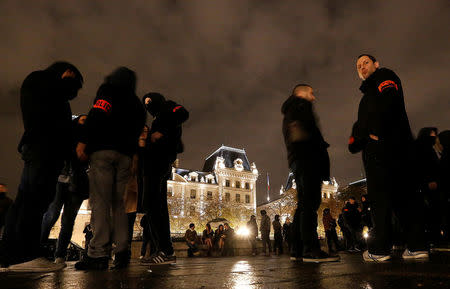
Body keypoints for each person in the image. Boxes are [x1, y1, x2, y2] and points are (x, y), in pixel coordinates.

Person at [0, 62, 83, 272]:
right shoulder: (43, 81)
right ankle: (24, 255)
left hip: (41, 149)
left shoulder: (40, 85)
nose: (74, 91)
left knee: (27, 201)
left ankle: (11, 255)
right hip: (44, 149)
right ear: (68, 72)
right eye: (75, 84)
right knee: (34, 201)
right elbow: (54, 121)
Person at [349, 54, 428, 261]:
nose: (362, 67)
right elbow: (356, 136)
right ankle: (417, 245)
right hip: (393, 148)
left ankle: (379, 250)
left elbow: (389, 104)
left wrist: (376, 134)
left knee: (381, 200)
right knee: (403, 198)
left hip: (384, 150)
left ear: (376, 64)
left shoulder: (384, 77)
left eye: (365, 62)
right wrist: (360, 136)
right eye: (358, 66)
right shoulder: (367, 95)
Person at [75, 67, 146, 270]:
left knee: (100, 202)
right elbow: (136, 134)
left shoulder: (108, 92)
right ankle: (122, 251)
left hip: (104, 151)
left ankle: (98, 253)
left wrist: (83, 142)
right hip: (125, 156)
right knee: (120, 207)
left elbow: (96, 115)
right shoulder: (138, 106)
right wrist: (133, 157)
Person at [282, 84, 339, 263]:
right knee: (310, 204)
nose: (313, 97)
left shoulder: (293, 108)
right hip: (307, 159)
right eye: (311, 93)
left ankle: (297, 249)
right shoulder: (300, 107)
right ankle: (310, 249)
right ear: (301, 93)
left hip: (300, 159)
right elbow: (300, 134)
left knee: (303, 206)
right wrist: (317, 148)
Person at [141, 92, 189, 265]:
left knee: (153, 205)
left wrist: (161, 132)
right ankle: (163, 250)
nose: (148, 104)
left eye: (150, 101)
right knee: (155, 206)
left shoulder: (168, 107)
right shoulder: (159, 116)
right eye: (145, 103)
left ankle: (164, 250)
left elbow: (183, 113)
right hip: (156, 163)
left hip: (158, 163)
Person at [40, 115, 89, 265]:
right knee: (51, 215)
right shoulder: (65, 138)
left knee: (68, 221)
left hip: (76, 184)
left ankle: (60, 255)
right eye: (82, 120)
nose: (85, 123)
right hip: (60, 181)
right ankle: (38, 250)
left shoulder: (88, 141)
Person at [123, 125, 149, 259]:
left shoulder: (149, 149)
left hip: (143, 187)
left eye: (146, 131)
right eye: (142, 130)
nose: (144, 133)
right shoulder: (132, 148)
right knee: (128, 219)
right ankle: (124, 250)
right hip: (133, 186)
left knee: (148, 218)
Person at [413, 127, 442, 245]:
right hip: (426, 185)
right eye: (432, 134)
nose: (434, 137)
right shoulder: (422, 149)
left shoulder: (430, 149)